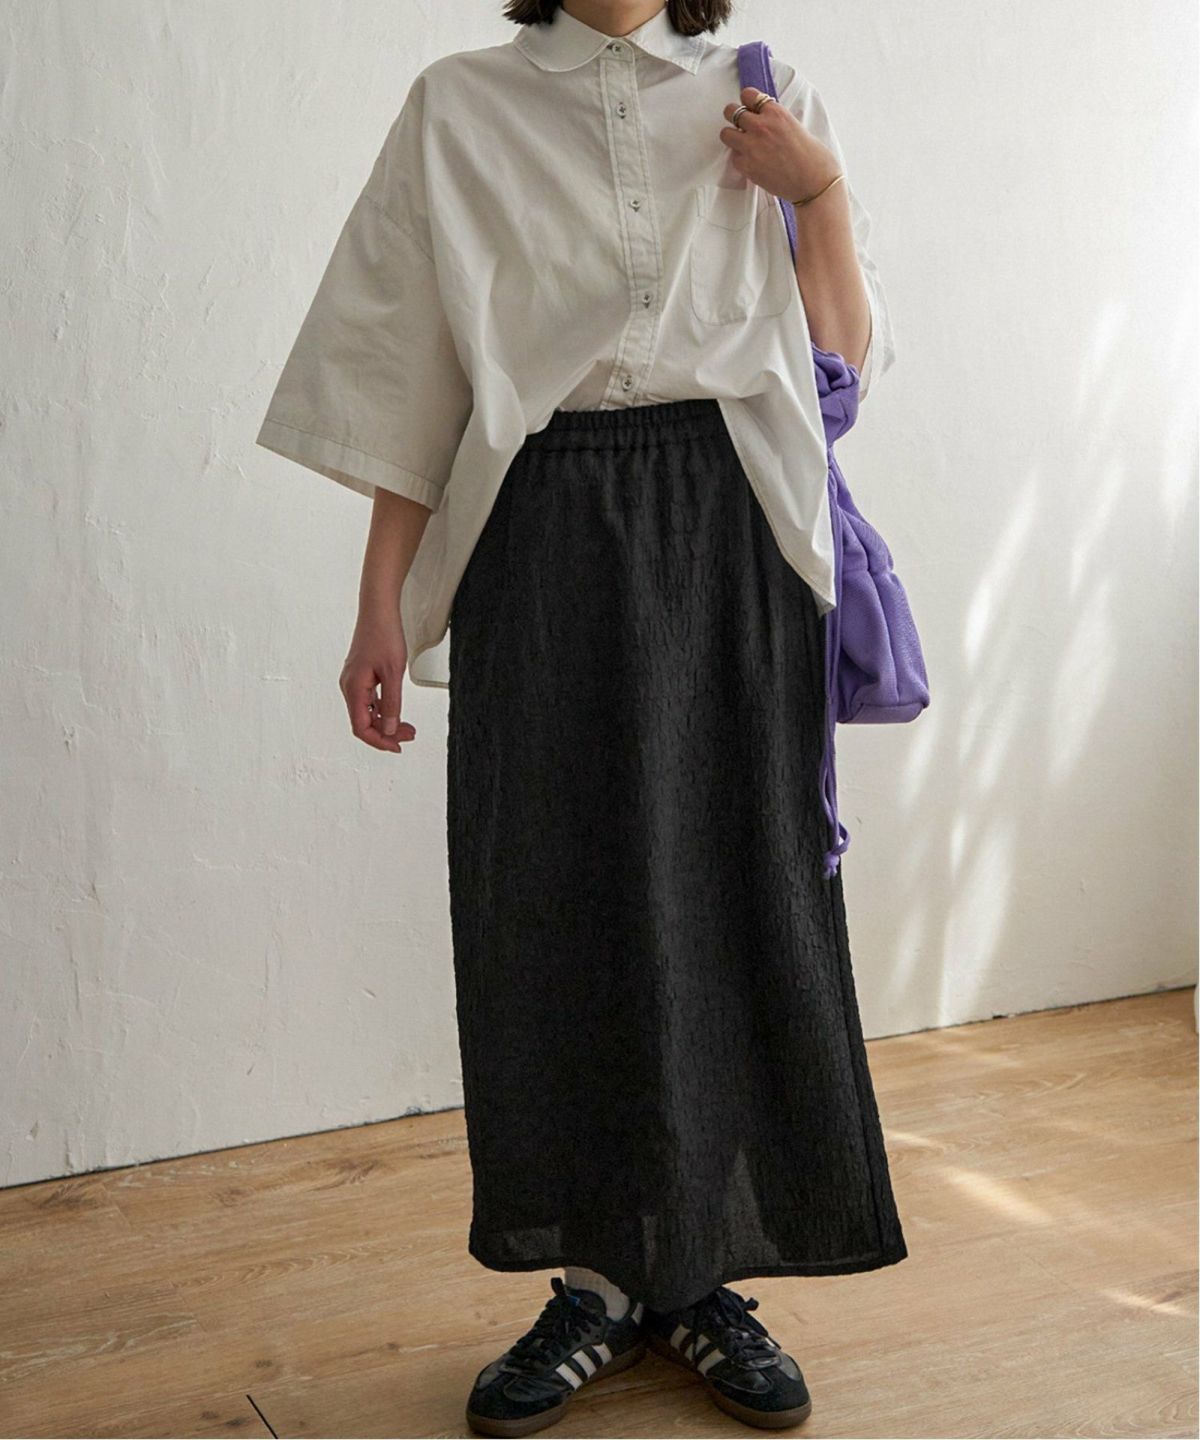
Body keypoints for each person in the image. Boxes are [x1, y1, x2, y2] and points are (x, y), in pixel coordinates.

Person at [255, 0, 908, 1433]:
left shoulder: (764, 92)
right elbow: (410, 378)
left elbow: (840, 369)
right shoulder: (459, 107)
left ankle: (703, 1278)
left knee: (739, 889)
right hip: (541, 529)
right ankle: (601, 1283)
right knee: (553, 898)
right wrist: (380, 605)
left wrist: (819, 195)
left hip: (735, 528)